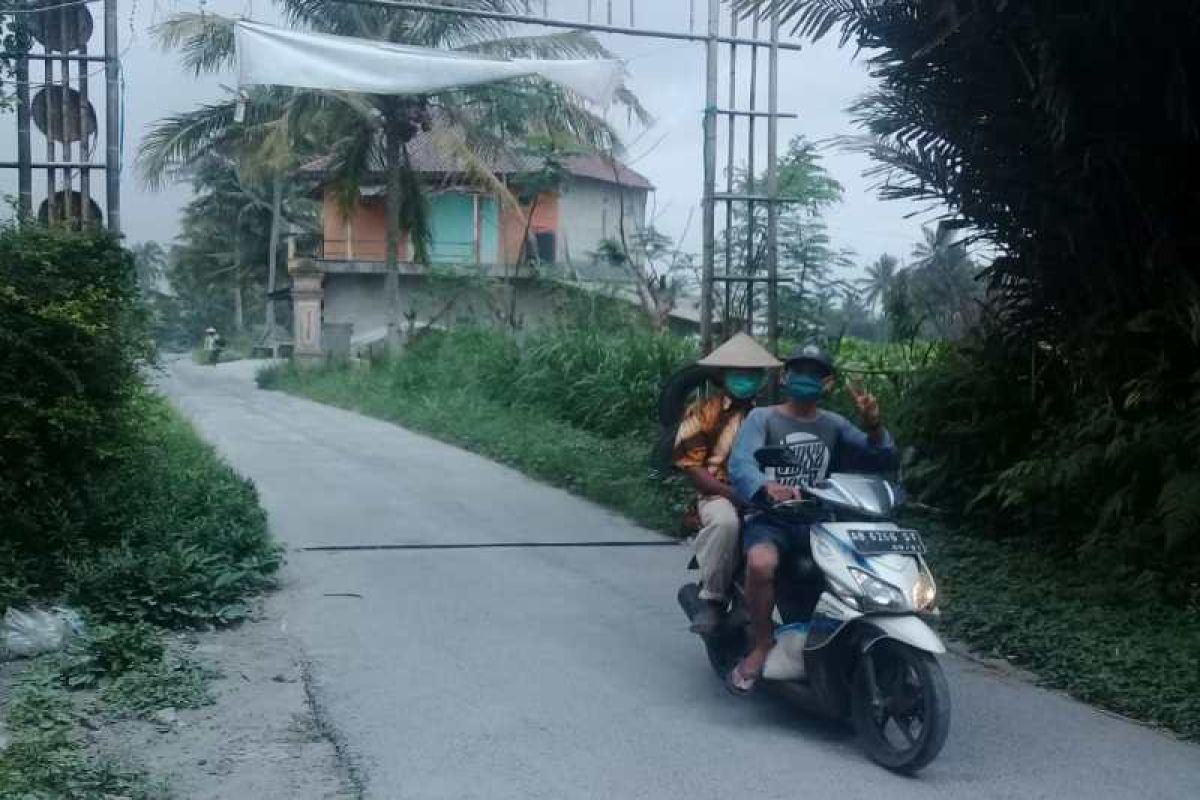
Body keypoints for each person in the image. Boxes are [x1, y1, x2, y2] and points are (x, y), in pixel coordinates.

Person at [725, 343, 898, 694]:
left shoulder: (835, 424)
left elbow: (880, 459)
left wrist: (875, 425)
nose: (806, 379)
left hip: (820, 520)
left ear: (828, 383)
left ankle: (841, 641)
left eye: (815, 374)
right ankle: (762, 644)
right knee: (760, 563)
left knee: (857, 575)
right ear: (786, 376)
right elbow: (741, 464)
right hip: (771, 518)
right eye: (799, 372)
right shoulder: (764, 418)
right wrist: (766, 487)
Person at [673, 333, 782, 634]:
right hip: (717, 493)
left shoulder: (772, 416)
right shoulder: (701, 414)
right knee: (726, 524)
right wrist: (733, 495)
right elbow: (693, 469)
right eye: (739, 372)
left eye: (752, 373)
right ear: (722, 375)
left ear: (761, 377)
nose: (746, 378)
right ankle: (713, 599)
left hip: (768, 492)